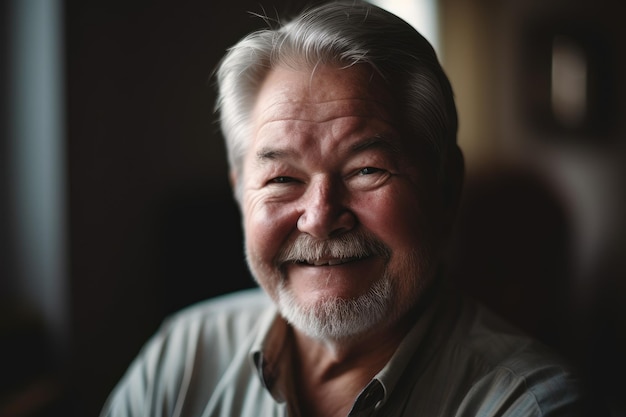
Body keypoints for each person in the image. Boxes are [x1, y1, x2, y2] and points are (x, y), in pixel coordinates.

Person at [99, 1, 583, 416]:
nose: (320, 215)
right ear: (239, 192)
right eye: (282, 178)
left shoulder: (526, 403)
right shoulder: (183, 355)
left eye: (366, 170)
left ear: (446, 187)